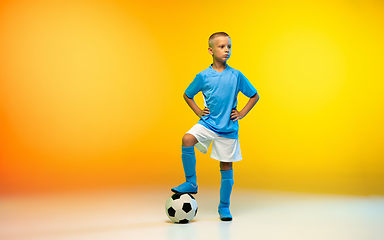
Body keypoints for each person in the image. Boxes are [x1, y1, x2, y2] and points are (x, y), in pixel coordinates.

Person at [171, 32, 259, 221]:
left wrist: (242, 113)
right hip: (208, 123)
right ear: (211, 50)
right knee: (187, 139)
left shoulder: (236, 75)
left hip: (228, 129)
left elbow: (254, 95)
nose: (226, 50)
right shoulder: (203, 76)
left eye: (229, 46)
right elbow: (187, 94)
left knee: (226, 165)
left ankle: (224, 207)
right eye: (222, 46)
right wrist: (197, 111)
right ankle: (191, 182)